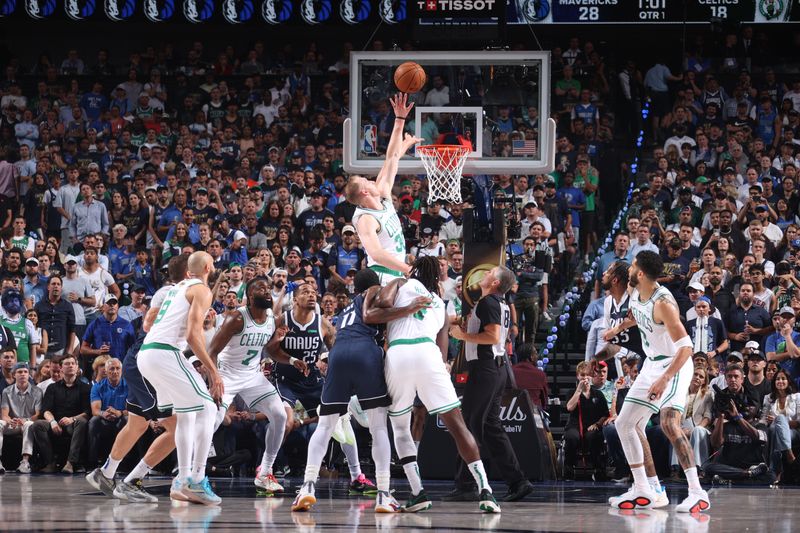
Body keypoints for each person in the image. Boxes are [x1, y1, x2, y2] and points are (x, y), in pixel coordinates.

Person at [291, 269, 426, 513]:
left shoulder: (344, 311)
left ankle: (307, 486)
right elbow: (376, 313)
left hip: (338, 354)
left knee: (325, 426)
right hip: (365, 353)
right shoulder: (373, 293)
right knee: (377, 428)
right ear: (374, 286)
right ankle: (384, 494)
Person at [374, 256, 500, 513]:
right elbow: (443, 352)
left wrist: (398, 285)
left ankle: (418, 492)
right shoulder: (440, 304)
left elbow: (381, 305)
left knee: (400, 427)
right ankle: (486, 491)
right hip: (430, 355)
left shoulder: (401, 284)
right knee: (457, 425)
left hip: (399, 353)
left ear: (414, 272)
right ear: (435, 280)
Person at [605, 251, 710, 512]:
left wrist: (665, 379)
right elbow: (636, 316)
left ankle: (698, 493)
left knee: (669, 424)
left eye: (632, 265)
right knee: (624, 423)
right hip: (652, 363)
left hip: (675, 363)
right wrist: (618, 329)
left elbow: (686, 347)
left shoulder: (664, 303)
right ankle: (643, 488)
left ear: (640, 272)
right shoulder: (635, 290)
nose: (628, 268)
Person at [85, 255, 188, 503]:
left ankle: (105, 473)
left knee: (138, 424)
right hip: (150, 362)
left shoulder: (178, 293)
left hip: (145, 361)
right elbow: (148, 323)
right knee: (178, 429)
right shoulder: (172, 292)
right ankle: (133, 480)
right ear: (189, 273)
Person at [136, 251, 223, 505]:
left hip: (147, 353)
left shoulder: (176, 288)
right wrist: (213, 371)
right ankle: (197, 479)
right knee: (207, 407)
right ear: (207, 267)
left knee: (187, 413)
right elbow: (193, 337)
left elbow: (149, 321)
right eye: (214, 264)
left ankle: (181, 481)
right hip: (164, 353)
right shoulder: (202, 291)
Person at [269, 284, 372, 492]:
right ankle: (266, 471)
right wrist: (288, 356)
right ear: (295, 299)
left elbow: (338, 350)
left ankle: (356, 475)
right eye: (304, 291)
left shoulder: (323, 324)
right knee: (286, 422)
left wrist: (329, 361)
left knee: (342, 421)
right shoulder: (283, 320)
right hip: (286, 380)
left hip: (312, 381)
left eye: (312, 292)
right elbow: (270, 350)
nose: (310, 295)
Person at [447, 265, 534, 502]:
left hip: (486, 368)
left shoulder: (488, 303)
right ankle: (518, 481)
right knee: (490, 427)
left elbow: (493, 336)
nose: (484, 275)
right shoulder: (499, 303)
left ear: (495, 283)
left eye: (489, 273)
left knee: (470, 425)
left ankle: (466, 485)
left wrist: (463, 336)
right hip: (496, 368)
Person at [207, 276, 288, 494]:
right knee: (212, 421)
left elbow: (271, 350)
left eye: (268, 288)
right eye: (262, 288)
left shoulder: (271, 317)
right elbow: (211, 351)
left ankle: (265, 473)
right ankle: (191, 476)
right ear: (250, 296)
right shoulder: (236, 318)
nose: (268, 291)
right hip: (227, 374)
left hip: (252, 376)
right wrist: (214, 379)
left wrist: (291, 359)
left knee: (280, 416)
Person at [347, 94, 422, 285]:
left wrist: (399, 120)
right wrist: (409, 269)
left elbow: (391, 158)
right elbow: (377, 254)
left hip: (397, 273)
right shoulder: (365, 219)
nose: (371, 180)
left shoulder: (383, 195)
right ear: (365, 192)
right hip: (381, 276)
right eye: (366, 181)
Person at [32, 354, 91, 474]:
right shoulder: (52, 388)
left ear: (77, 366)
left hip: (73, 423)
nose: (70, 366)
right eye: (67, 364)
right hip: (56, 423)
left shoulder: (86, 388)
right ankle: (50, 462)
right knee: (37, 425)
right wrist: (52, 422)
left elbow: (87, 412)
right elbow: (46, 410)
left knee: (82, 422)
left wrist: (72, 419)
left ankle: (70, 463)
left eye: (72, 363)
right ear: (61, 368)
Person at [563, 361, 610, 480]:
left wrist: (598, 424)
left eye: (587, 375)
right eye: (582, 375)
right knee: (571, 437)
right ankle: (568, 469)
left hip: (591, 426)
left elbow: (605, 413)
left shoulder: (598, 394)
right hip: (575, 426)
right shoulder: (571, 392)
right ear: (578, 376)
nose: (585, 378)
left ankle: (599, 469)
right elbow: (569, 407)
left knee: (594, 436)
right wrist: (578, 391)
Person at [759, 368, 800, 482]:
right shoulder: (768, 398)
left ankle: (774, 468)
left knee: (780, 420)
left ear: (788, 381)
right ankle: (788, 458)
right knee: (775, 429)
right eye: (777, 379)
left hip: (794, 433)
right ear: (774, 382)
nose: (780, 381)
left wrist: (778, 421)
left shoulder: (797, 397)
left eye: (783, 378)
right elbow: (763, 419)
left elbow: (798, 422)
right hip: (773, 430)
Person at [0, 362, 42, 474]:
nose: (23, 374)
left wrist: (25, 420)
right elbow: (4, 414)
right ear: (14, 375)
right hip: (13, 424)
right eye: (19, 372)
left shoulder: (37, 391)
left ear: (29, 374)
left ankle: (25, 462)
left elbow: (38, 414)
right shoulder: (6, 391)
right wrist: (10, 420)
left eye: (25, 372)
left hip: (27, 423)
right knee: (0, 423)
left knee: (29, 425)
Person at [87, 357, 127, 469]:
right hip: (105, 419)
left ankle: (124, 464)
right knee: (94, 421)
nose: (115, 371)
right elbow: (95, 410)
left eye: (117, 368)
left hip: (121, 418)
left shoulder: (129, 385)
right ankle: (92, 463)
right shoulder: (97, 387)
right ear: (106, 371)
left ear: (121, 370)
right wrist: (104, 414)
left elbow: (133, 409)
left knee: (127, 420)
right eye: (111, 369)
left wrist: (119, 412)